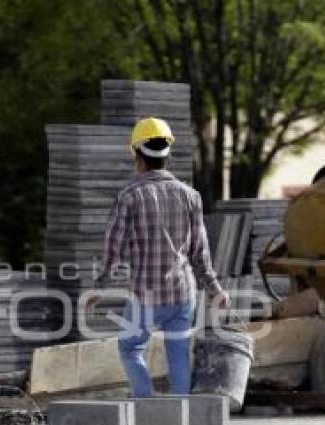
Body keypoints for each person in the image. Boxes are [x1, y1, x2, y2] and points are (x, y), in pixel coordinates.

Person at [95, 117, 229, 398]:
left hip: (147, 294)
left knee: (130, 349)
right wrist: (215, 289)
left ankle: (147, 405)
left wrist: (100, 285)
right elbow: (200, 252)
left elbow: (113, 246)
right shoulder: (190, 196)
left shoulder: (130, 195)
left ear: (136, 153)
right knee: (179, 355)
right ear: (168, 154)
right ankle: (180, 415)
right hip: (183, 293)